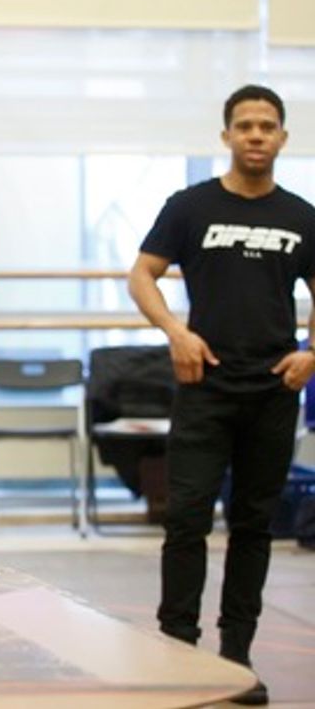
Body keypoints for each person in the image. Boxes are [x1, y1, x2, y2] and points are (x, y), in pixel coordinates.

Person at [128, 84, 315, 706]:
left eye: (267, 126)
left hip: (273, 389)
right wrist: (175, 332)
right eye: (245, 125)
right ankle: (176, 652)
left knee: (253, 525)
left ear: (282, 138)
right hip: (203, 385)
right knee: (186, 518)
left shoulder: (302, 217)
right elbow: (143, 274)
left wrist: (311, 352)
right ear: (227, 135)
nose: (256, 135)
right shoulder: (191, 207)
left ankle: (237, 656)